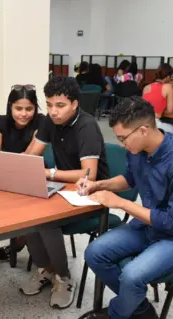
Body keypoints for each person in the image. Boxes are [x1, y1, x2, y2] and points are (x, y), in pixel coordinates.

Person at [79, 96, 173, 319]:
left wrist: (121, 203)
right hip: (149, 225)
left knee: (131, 275)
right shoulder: (137, 150)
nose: (122, 145)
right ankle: (138, 307)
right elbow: (130, 179)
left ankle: (117, 314)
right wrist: (98, 184)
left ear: (144, 130)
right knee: (94, 253)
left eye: (123, 138)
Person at [21, 76, 110, 309]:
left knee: (46, 220)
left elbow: (88, 175)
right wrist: (15, 166)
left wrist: (49, 173)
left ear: (74, 104)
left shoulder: (87, 126)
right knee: (23, 213)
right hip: (63, 189)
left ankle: (63, 277)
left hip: (90, 195)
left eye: (60, 105)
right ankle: (46, 269)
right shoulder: (49, 121)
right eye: (49, 104)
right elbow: (31, 153)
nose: (53, 111)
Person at [0, 84, 45, 261]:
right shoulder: (0, 121)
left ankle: (21, 241)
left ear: (35, 108)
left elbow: (30, 155)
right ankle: (21, 239)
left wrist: (11, 161)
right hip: (6, 177)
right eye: (18, 108)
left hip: (32, 175)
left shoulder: (41, 121)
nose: (23, 113)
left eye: (29, 109)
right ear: (10, 107)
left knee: (27, 207)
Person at [142, 63, 173, 137]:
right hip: (155, 124)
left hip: (142, 122)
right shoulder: (168, 87)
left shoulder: (146, 88)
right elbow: (169, 111)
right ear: (168, 76)